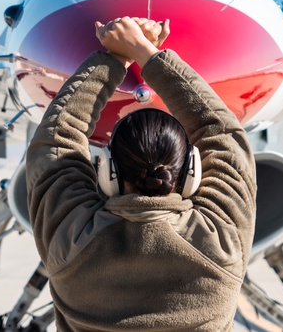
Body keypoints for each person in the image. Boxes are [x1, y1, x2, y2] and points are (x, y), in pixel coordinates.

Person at [26, 17, 256, 332]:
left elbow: (56, 141)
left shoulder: (74, 244)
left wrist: (128, 53)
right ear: (191, 172)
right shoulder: (221, 245)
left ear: (107, 171)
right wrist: (137, 51)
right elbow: (225, 136)